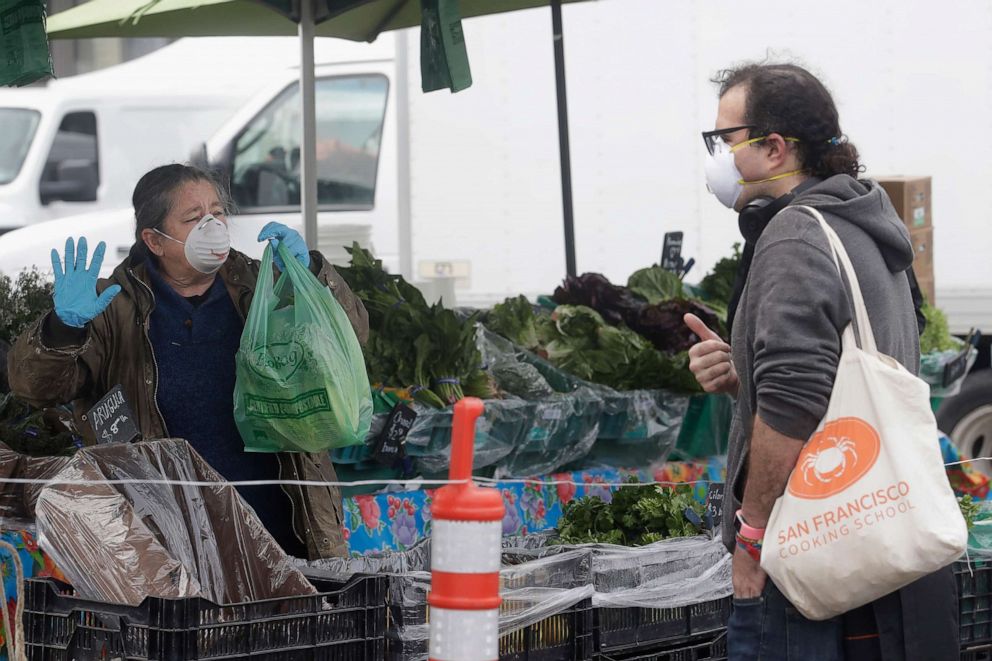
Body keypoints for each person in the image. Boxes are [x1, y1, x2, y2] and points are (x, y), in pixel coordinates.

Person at [685, 63, 957, 660]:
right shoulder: (865, 223)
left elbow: (793, 401)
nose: (718, 157)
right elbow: (832, 374)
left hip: (811, 550)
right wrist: (742, 378)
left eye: (724, 140)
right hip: (878, 535)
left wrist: (752, 537)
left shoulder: (795, 235)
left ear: (774, 147)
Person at [7, 163, 369, 560]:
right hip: (166, 539)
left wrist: (310, 279)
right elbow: (37, 388)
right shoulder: (112, 307)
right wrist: (63, 328)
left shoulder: (259, 287)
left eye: (217, 212)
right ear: (155, 240)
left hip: (283, 526)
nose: (212, 226)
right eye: (194, 218)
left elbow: (348, 340)